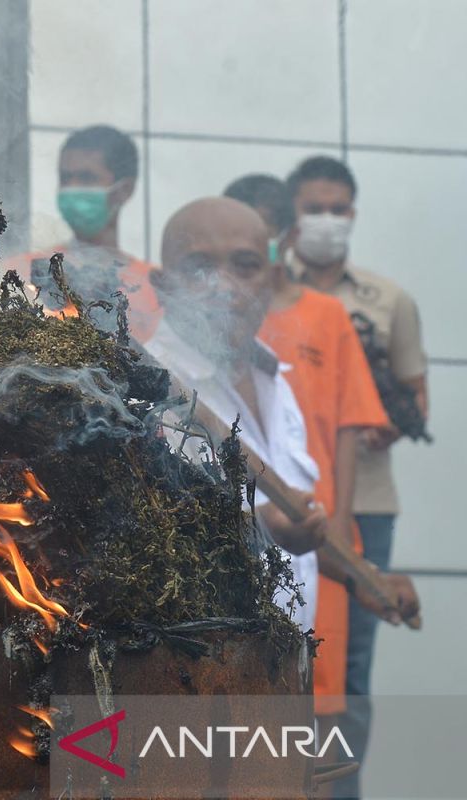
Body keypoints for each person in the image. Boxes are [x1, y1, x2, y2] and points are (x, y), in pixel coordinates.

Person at [145, 198, 419, 637]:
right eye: (199, 267)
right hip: (199, 679)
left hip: (284, 674)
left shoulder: (275, 381)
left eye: (246, 265)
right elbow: (163, 536)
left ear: (271, 282)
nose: (224, 286)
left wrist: (361, 575)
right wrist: (263, 527)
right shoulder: (148, 390)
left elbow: (298, 527)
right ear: (162, 285)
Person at [284, 155, 428, 797]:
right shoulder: (270, 293)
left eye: (337, 208)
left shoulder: (388, 301)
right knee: (285, 655)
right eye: (313, 207)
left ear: (353, 214)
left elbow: (418, 400)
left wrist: (382, 420)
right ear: (291, 214)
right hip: (290, 506)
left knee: (351, 664)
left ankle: (342, 787)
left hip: (365, 501)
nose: (325, 220)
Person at [224, 174, 390, 728]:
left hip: (315, 530)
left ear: (282, 238)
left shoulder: (326, 315)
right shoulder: (217, 317)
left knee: (321, 699)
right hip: (241, 529)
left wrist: (337, 534)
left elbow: (348, 430)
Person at [30, 125, 160, 340]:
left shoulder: (153, 287)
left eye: (86, 178)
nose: (71, 188)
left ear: (124, 190)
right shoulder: (24, 270)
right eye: (65, 178)